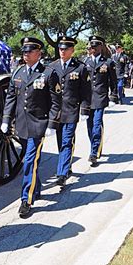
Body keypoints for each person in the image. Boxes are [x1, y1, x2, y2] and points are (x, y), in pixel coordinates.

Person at [0, 37, 61, 216]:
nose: (26, 54)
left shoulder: (49, 73)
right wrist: (5, 119)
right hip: (21, 124)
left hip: (38, 124)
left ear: (38, 53)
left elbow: (56, 102)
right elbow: (11, 97)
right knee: (32, 161)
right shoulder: (18, 72)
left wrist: (51, 123)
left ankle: (26, 199)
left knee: (29, 160)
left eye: (29, 51)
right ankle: (36, 188)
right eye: (24, 51)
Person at [50, 35, 91, 186]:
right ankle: (67, 166)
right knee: (60, 141)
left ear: (72, 50)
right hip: (56, 111)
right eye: (60, 48)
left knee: (67, 141)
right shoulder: (52, 66)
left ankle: (61, 174)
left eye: (65, 49)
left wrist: (85, 109)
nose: (62, 51)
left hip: (71, 109)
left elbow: (86, 91)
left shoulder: (80, 68)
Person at [85, 36, 118, 166]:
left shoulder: (108, 62)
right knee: (89, 125)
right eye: (91, 47)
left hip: (100, 97)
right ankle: (95, 145)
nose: (92, 49)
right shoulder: (85, 62)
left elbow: (113, 81)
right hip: (88, 99)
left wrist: (113, 96)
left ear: (100, 47)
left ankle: (94, 153)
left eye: (95, 47)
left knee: (97, 124)